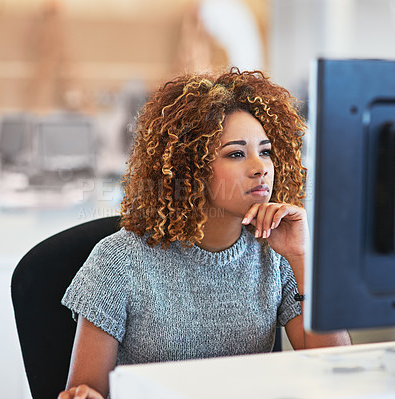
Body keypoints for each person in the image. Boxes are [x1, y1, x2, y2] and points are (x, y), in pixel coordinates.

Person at [58, 68, 351, 399]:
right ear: (189, 167)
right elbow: (83, 391)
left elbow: (339, 376)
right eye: (236, 153)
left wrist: (302, 259)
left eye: (266, 151)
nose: (260, 167)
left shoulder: (277, 252)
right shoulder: (118, 261)